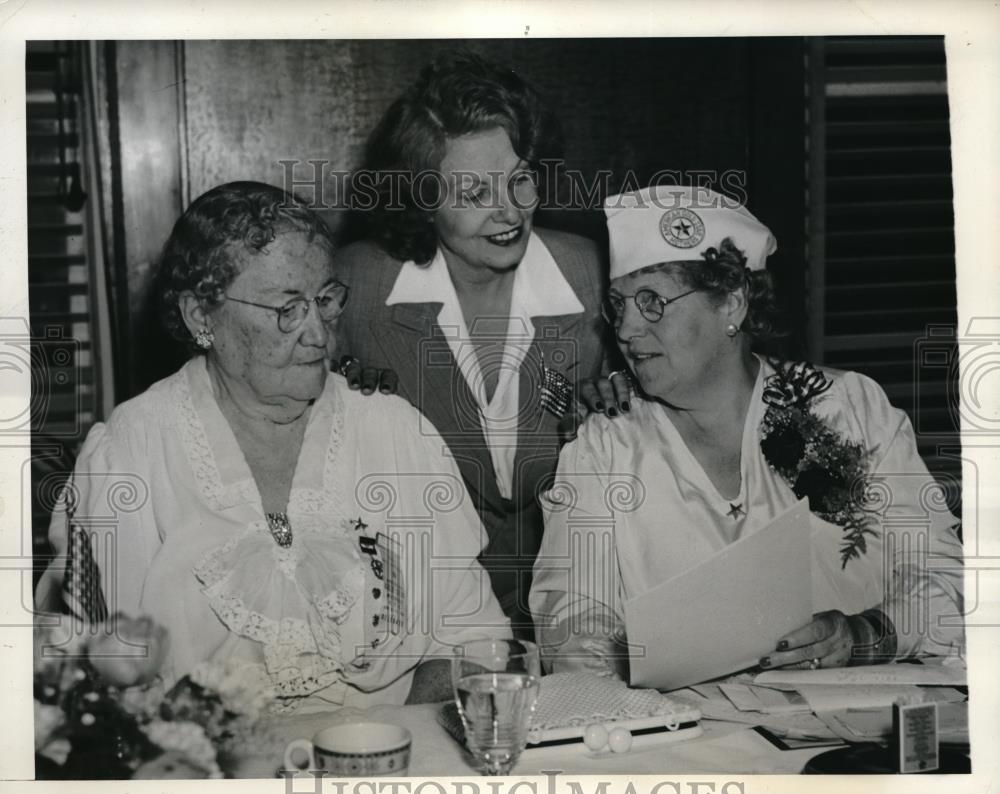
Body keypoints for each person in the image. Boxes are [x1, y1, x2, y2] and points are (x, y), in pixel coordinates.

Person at [35, 181, 511, 712]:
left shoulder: (395, 433)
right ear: (201, 316)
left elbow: (472, 642)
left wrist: (405, 742)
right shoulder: (134, 452)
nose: (319, 335)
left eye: (325, 300)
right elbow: (87, 671)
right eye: (287, 308)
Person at [530, 185, 965, 679]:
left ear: (732, 304)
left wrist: (865, 635)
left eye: (652, 302)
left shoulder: (850, 410)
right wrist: (626, 656)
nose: (627, 330)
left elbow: (948, 581)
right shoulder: (606, 447)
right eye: (618, 304)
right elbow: (568, 615)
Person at [333, 51, 609, 636]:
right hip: (420, 618)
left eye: (520, 180)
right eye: (473, 192)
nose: (509, 211)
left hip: (574, 609)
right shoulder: (357, 288)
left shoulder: (589, 278)